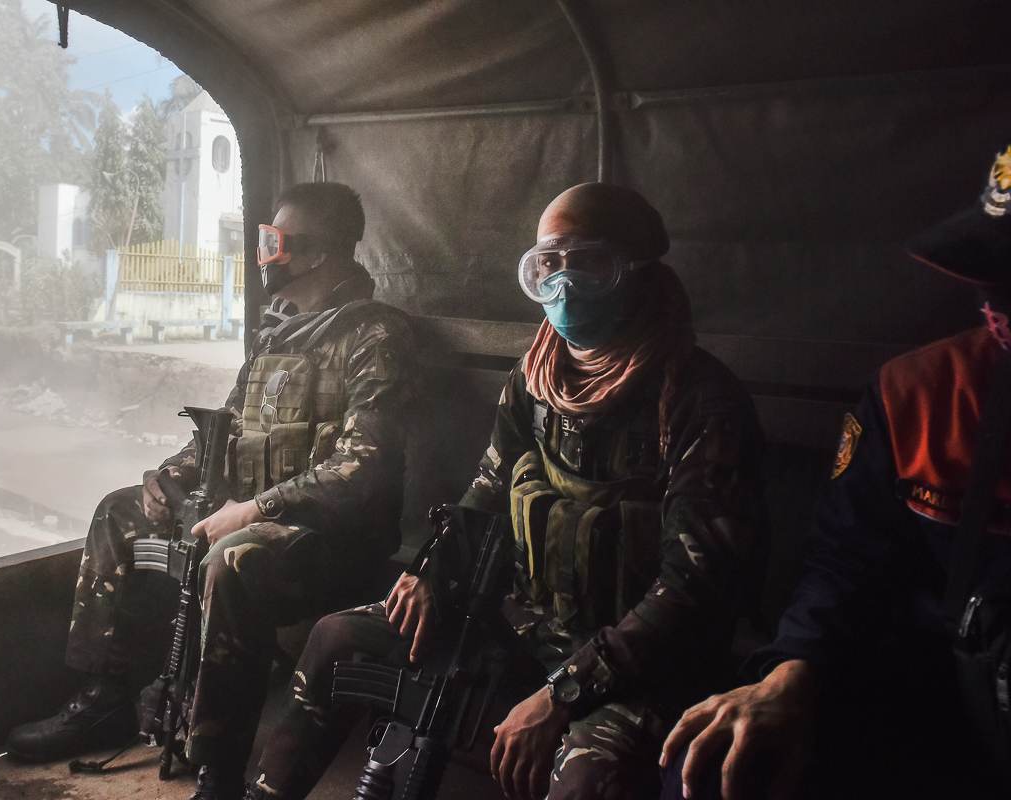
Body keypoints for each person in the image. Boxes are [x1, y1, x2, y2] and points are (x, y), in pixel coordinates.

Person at [247, 183, 768, 800]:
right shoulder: (536, 379)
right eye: (550, 263)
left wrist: (561, 693)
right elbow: (488, 493)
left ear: (637, 275)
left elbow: (693, 591)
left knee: (586, 777)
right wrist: (430, 572)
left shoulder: (698, 402)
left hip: (645, 664)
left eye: (591, 263)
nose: (566, 282)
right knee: (337, 637)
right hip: (528, 629)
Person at [4, 183, 418, 800]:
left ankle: (219, 767)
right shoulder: (275, 334)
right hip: (247, 513)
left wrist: (258, 509)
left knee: (235, 558)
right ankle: (104, 698)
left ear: (318, 254)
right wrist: (168, 477)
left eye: (275, 243)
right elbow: (220, 437)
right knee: (118, 513)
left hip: (330, 541)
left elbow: (366, 469)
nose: (263, 255)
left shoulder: (374, 337)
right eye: (263, 241)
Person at [660, 145, 1011, 800]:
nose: (1000, 305)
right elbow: (848, 564)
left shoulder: (702, 396)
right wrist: (792, 670)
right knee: (716, 764)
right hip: (945, 691)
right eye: (993, 274)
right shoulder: (919, 395)